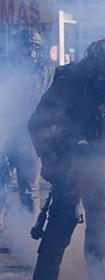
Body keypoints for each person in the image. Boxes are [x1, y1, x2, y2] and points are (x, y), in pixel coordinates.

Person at [26, 38, 105, 280]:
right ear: (92, 67)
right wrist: (55, 159)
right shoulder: (68, 85)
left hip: (101, 165)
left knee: (100, 228)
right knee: (60, 227)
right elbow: (37, 124)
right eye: (104, 79)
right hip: (69, 165)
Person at [0, 28, 53, 230]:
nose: (29, 52)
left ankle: (29, 232)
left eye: (33, 47)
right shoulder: (4, 68)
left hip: (30, 140)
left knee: (30, 190)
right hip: (6, 136)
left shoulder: (46, 71)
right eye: (25, 47)